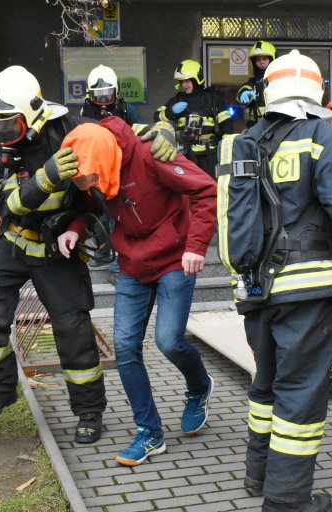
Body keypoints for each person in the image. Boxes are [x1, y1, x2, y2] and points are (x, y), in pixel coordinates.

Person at [217, 49, 332, 511]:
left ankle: (258, 477)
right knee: (300, 396)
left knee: (265, 385)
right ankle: (287, 501)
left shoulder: (251, 139)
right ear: (318, 92)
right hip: (308, 290)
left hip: (255, 289)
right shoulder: (322, 136)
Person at [57, 116, 217, 466]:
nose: (91, 185)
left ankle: (199, 385)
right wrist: (74, 229)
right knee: (126, 348)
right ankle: (150, 433)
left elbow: (205, 189)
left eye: (93, 178)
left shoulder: (151, 153)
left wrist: (197, 245)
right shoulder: (95, 164)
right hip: (131, 265)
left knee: (168, 341)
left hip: (176, 259)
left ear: (107, 159)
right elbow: (89, 207)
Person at [0, 65, 107, 444]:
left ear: (32, 115)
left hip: (56, 248)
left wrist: (159, 134)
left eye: (7, 126)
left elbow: (119, 139)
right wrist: (45, 178)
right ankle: (0, 389)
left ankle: (89, 410)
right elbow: (8, 208)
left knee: (72, 329)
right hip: (14, 241)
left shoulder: (69, 132)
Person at [80, 64, 141, 275]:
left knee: (121, 215)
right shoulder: (86, 111)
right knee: (99, 214)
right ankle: (104, 252)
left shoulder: (126, 109)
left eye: (107, 94)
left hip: (123, 170)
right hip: (99, 172)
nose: (103, 100)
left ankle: (120, 261)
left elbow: (139, 134)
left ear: (116, 92)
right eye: (99, 95)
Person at [155, 59, 233, 178]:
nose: (184, 85)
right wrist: (170, 111)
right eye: (181, 82)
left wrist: (225, 149)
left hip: (209, 155)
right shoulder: (177, 99)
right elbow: (157, 117)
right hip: (184, 154)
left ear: (197, 79)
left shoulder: (212, 98)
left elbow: (226, 124)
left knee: (210, 187)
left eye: (187, 81)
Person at [237, 40, 276, 127]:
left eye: (264, 59)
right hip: (255, 128)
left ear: (272, 59)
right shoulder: (252, 82)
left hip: (275, 126)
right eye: (258, 60)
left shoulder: (278, 80)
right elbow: (241, 94)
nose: (261, 62)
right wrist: (244, 93)